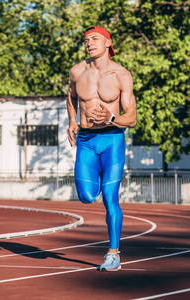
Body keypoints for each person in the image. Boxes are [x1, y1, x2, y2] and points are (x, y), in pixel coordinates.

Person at [66, 26, 136, 271]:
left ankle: (113, 253)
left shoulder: (121, 75)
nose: (89, 43)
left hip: (112, 139)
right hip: (85, 140)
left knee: (109, 197)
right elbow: (71, 97)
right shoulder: (77, 71)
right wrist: (72, 121)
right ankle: (96, 175)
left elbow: (132, 118)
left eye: (95, 39)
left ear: (108, 43)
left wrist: (111, 117)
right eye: (86, 40)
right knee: (86, 196)